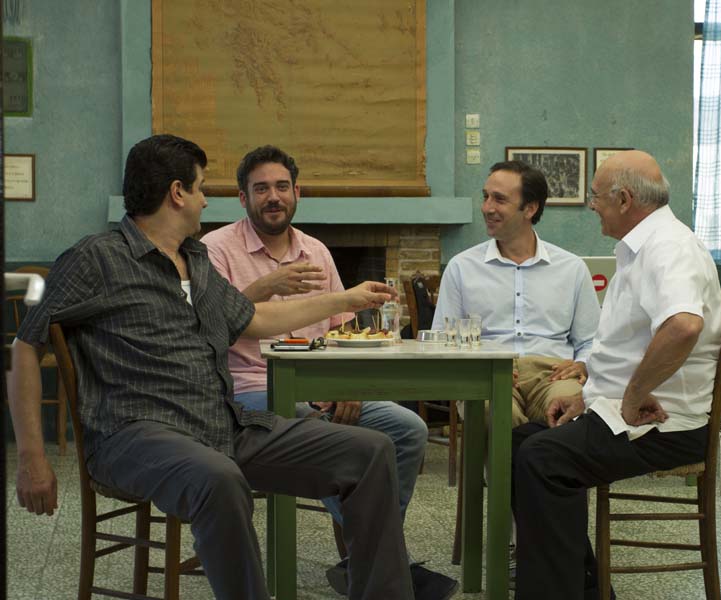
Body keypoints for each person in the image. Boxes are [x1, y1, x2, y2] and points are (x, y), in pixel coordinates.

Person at [7, 134, 415, 600]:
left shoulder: (196, 260)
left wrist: (344, 300)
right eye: (201, 188)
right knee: (218, 478)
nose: (205, 200)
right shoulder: (96, 257)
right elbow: (25, 346)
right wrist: (31, 458)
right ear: (177, 193)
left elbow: (254, 319)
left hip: (220, 424)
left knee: (371, 451)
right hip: (135, 433)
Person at [200, 145, 457, 599]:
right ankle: (384, 561)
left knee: (409, 429)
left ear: (297, 193)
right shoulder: (215, 250)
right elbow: (209, 324)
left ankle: (364, 559)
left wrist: (348, 387)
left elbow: (345, 330)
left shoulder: (316, 250)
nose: (273, 197)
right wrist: (264, 286)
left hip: (321, 387)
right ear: (243, 198)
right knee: (329, 434)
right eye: (261, 189)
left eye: (282, 187)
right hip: (249, 392)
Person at [512, 150, 721, 600]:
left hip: (665, 424)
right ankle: (585, 588)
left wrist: (631, 396)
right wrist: (587, 395)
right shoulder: (641, 247)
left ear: (625, 199)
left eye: (596, 197)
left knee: (542, 459)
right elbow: (627, 345)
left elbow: (683, 326)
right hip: (631, 412)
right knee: (520, 443)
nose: (592, 206)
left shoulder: (668, 247)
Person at [432, 160, 601, 428]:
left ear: (530, 208)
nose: (487, 208)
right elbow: (442, 339)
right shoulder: (462, 267)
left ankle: (533, 455)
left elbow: (591, 340)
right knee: (496, 412)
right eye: (486, 197)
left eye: (499, 199)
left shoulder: (571, 268)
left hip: (553, 374)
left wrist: (582, 365)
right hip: (488, 372)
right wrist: (477, 367)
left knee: (569, 410)